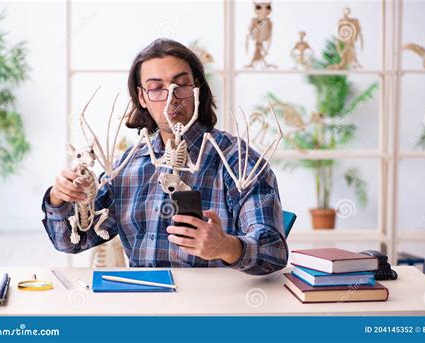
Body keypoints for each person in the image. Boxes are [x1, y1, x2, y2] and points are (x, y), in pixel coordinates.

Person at [41, 39, 288, 275]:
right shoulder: (127, 166)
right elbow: (71, 242)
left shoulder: (238, 161)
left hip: (214, 310)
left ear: (197, 90)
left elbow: (273, 252)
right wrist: (59, 199)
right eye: (156, 88)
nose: (171, 98)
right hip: (142, 306)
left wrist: (227, 247)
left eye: (180, 85)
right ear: (142, 98)